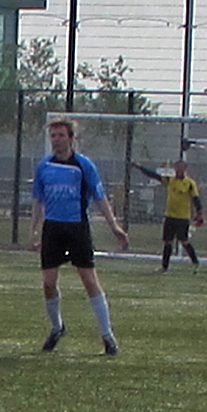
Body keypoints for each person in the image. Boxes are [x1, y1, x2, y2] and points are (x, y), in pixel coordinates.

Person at [30, 118, 128, 355]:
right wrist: (33, 230)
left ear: (71, 138)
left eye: (61, 135)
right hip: (52, 229)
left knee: (89, 280)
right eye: (53, 136)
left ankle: (107, 336)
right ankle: (57, 327)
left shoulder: (84, 166)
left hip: (77, 228)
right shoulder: (44, 167)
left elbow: (100, 198)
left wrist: (114, 226)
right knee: (48, 283)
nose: (56, 140)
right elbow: (37, 200)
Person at [131, 158, 202, 271]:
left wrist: (200, 214)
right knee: (167, 242)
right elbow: (154, 175)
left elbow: (196, 199)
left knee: (184, 241)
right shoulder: (170, 180)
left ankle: (195, 262)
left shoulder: (190, 183)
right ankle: (164, 266)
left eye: (181, 167)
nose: (179, 169)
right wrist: (140, 167)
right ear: (175, 168)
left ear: (185, 168)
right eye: (177, 167)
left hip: (183, 217)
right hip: (170, 216)